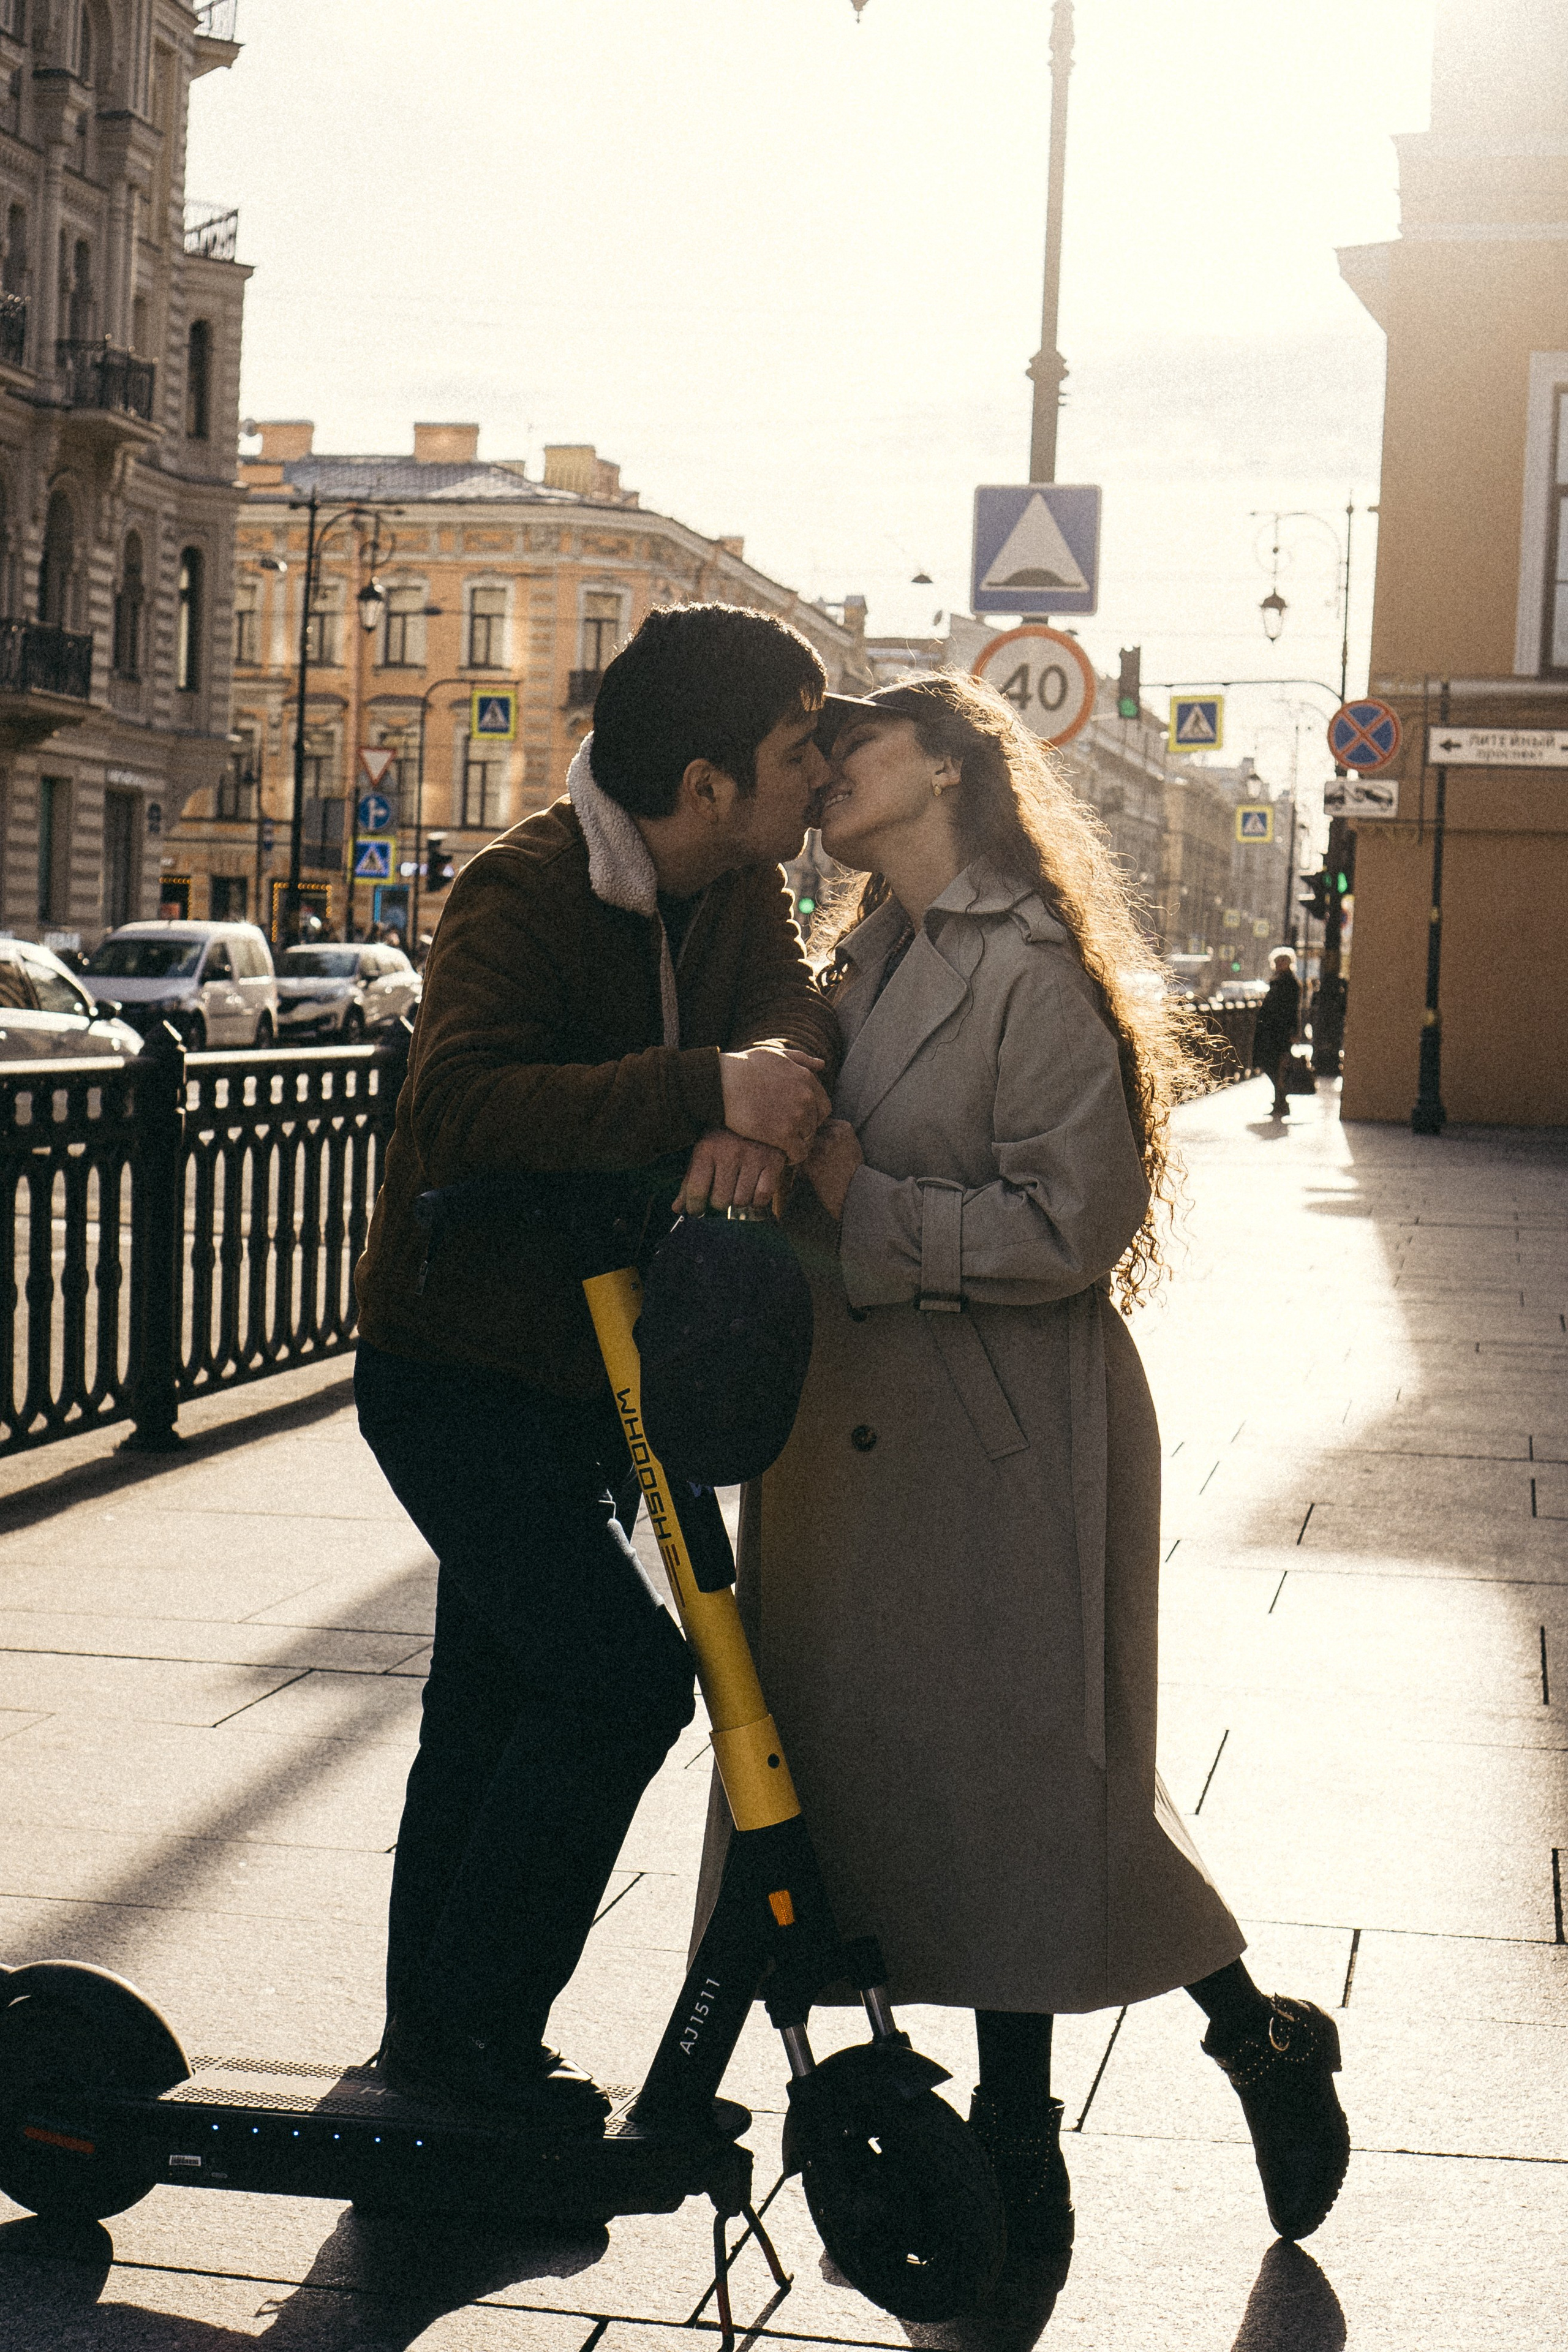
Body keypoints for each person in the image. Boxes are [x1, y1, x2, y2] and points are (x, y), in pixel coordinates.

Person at [697, 676, 1349, 2281]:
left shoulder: (1030, 966)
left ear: (953, 768)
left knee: (1012, 1798)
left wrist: (856, 1189)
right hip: (854, 1438)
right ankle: (1253, 2040)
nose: (835, 759)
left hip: (997, 1432)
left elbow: (1077, 1228)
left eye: (866, 737)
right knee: (976, 1798)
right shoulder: (871, 950)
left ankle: (1018, 2163)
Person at [353, 603, 840, 2120]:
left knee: (489, 1703)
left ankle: (439, 2052)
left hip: (592, 1369)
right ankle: (472, 2035)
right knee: (621, 1680)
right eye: (792, 750)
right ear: (704, 784)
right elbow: (465, 1106)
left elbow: (786, 1006)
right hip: (456, 1365)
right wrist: (702, 1086)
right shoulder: (526, 889)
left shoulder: (737, 886)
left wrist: (756, 1084)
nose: (815, 774)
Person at [1254, 946, 1302, 1115]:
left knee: (1277, 1065)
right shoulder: (1278, 981)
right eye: (1276, 962)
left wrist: (1294, 1031)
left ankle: (1281, 1101)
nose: (1277, 965)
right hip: (1273, 1030)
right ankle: (1280, 1100)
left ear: (1288, 964)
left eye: (1281, 962)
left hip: (1280, 1031)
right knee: (1274, 1065)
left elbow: (1293, 1009)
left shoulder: (1289, 983)